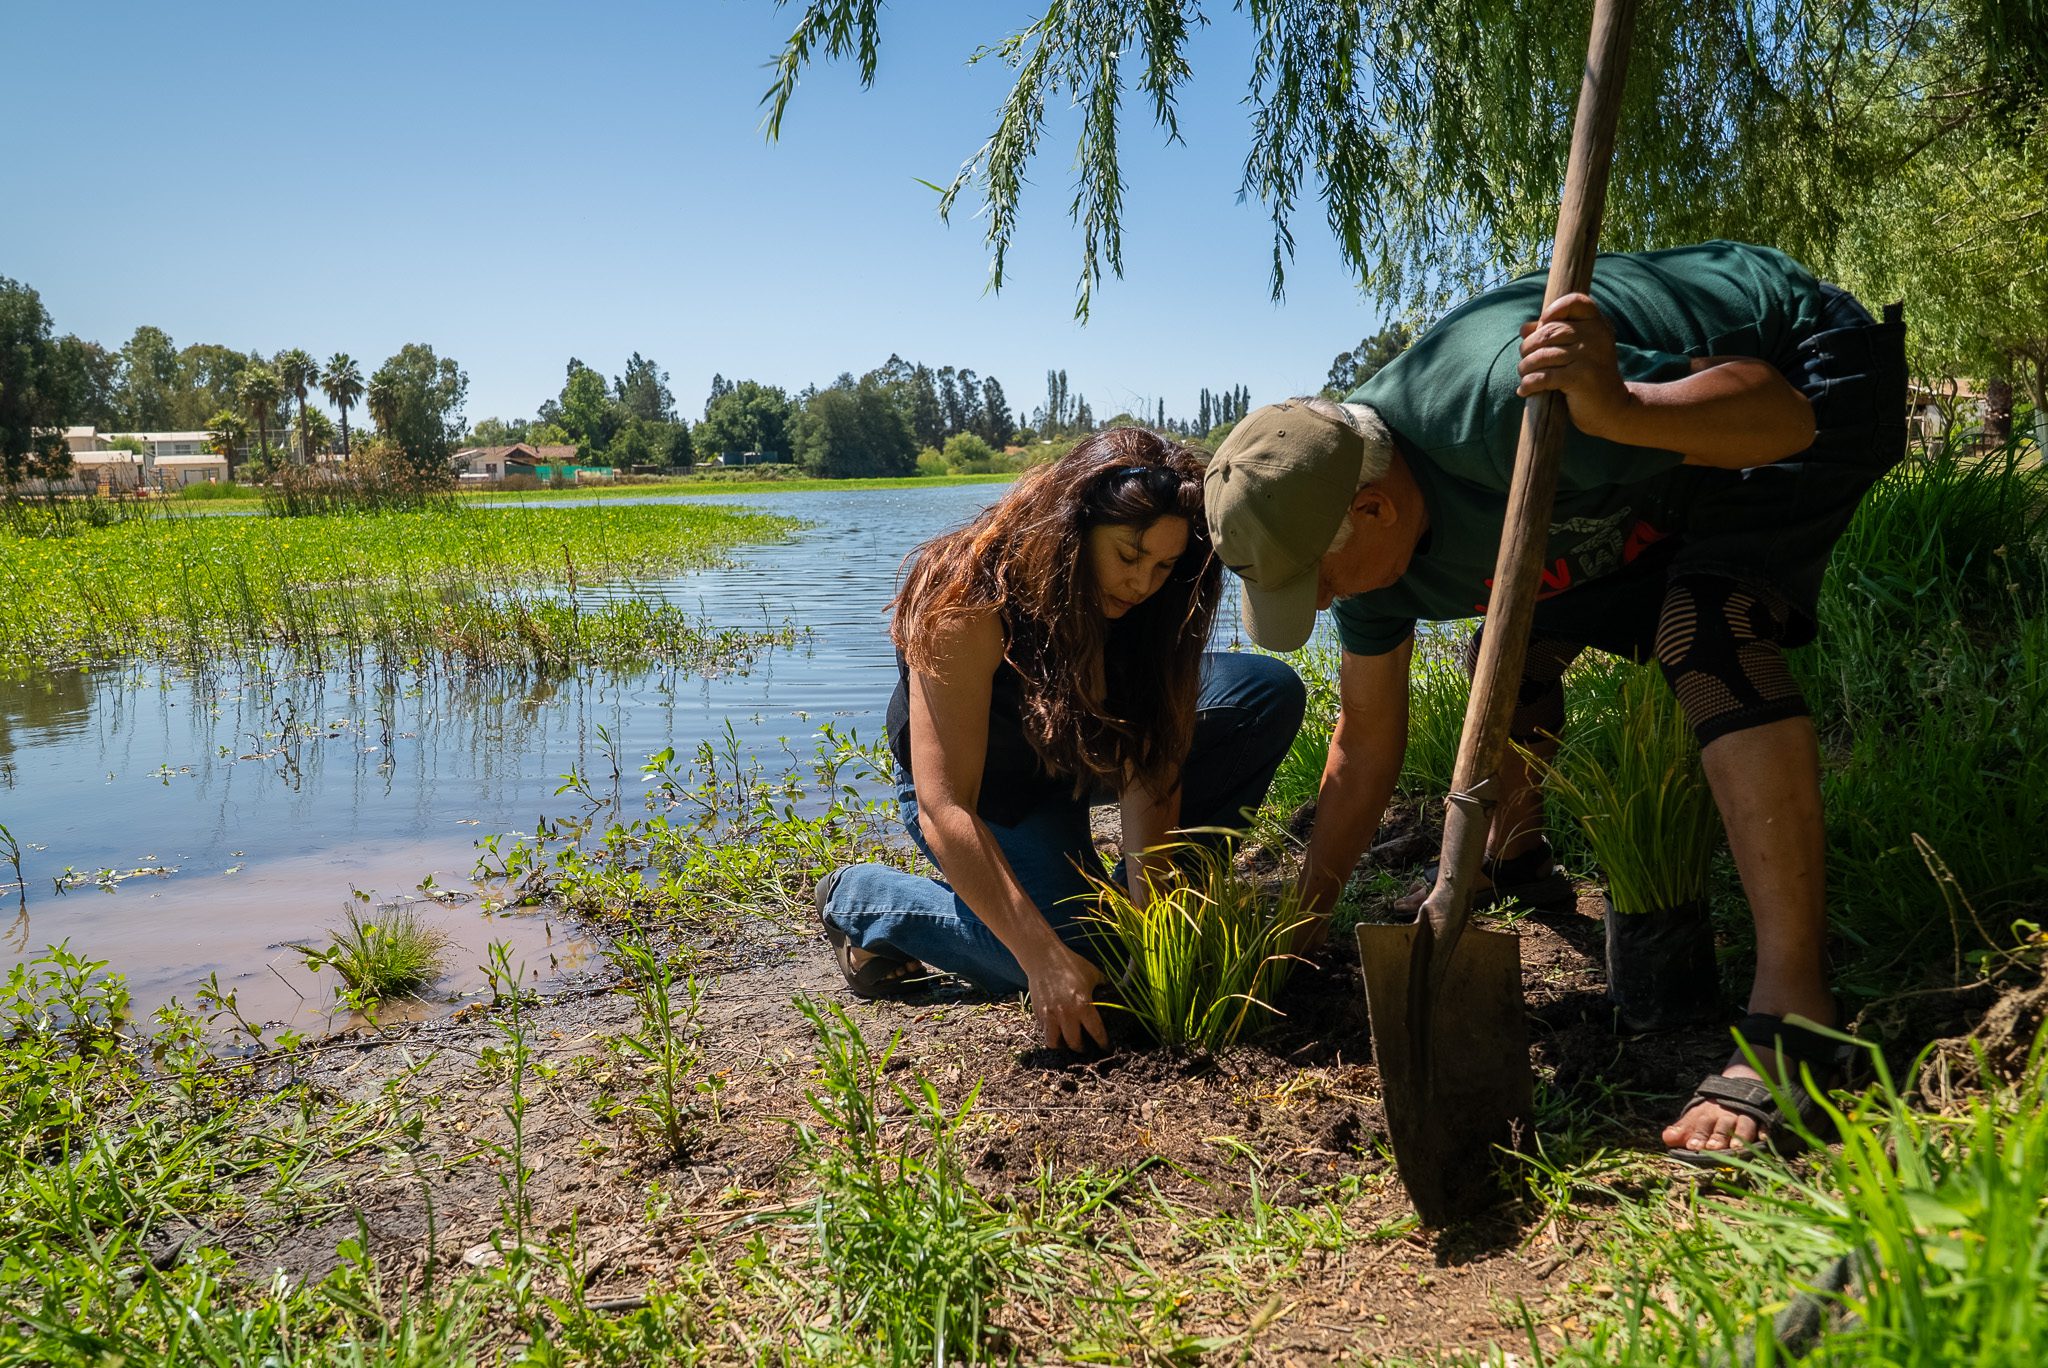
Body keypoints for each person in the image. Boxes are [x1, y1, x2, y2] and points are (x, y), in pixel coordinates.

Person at [1203, 240, 1905, 1161]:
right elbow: (1365, 742)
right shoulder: (1362, 538)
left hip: (1796, 373)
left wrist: (1621, 404)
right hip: (1645, 472)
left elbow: (1782, 419)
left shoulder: (1507, 405)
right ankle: (1515, 858)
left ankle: (1798, 1005)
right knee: (1514, 638)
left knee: (1708, 628)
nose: (1324, 605)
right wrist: (1302, 924)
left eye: (1317, 582)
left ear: (1374, 511)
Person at [818, 427, 1306, 1051]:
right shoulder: (966, 598)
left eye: (1163, 566)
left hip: (1078, 747)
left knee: (1263, 693)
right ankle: (863, 903)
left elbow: (1151, 759)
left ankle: (1165, 906)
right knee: (1083, 963)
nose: (1141, 585)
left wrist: (1151, 923)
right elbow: (947, 806)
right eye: (1129, 556)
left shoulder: (1152, 605)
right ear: (1073, 527)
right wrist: (1044, 960)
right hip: (995, 792)